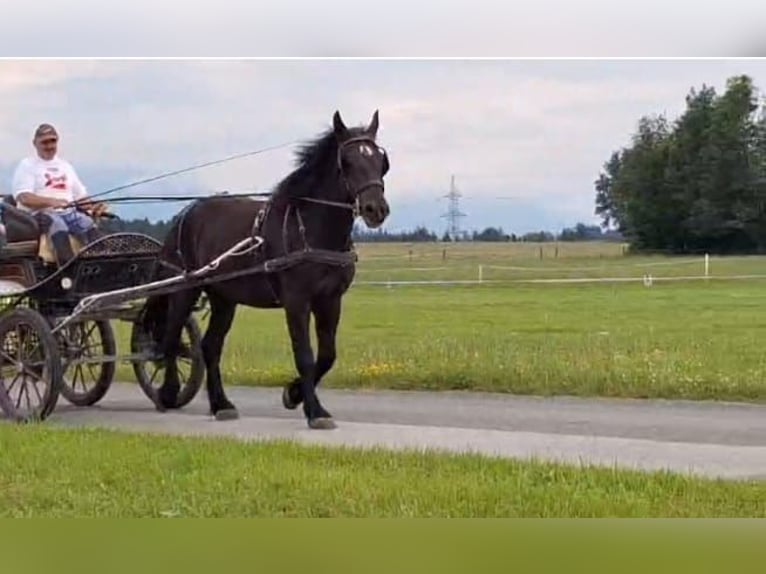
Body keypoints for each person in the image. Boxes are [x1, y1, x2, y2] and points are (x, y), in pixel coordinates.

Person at [11, 123, 107, 264]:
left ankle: (104, 262)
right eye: (44, 142)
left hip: (68, 213)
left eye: (53, 141)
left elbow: (81, 197)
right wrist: (52, 202)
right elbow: (24, 197)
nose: (49, 146)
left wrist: (93, 207)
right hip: (39, 215)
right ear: (35, 143)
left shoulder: (65, 166)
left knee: (86, 222)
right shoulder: (27, 165)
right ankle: (67, 269)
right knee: (57, 223)